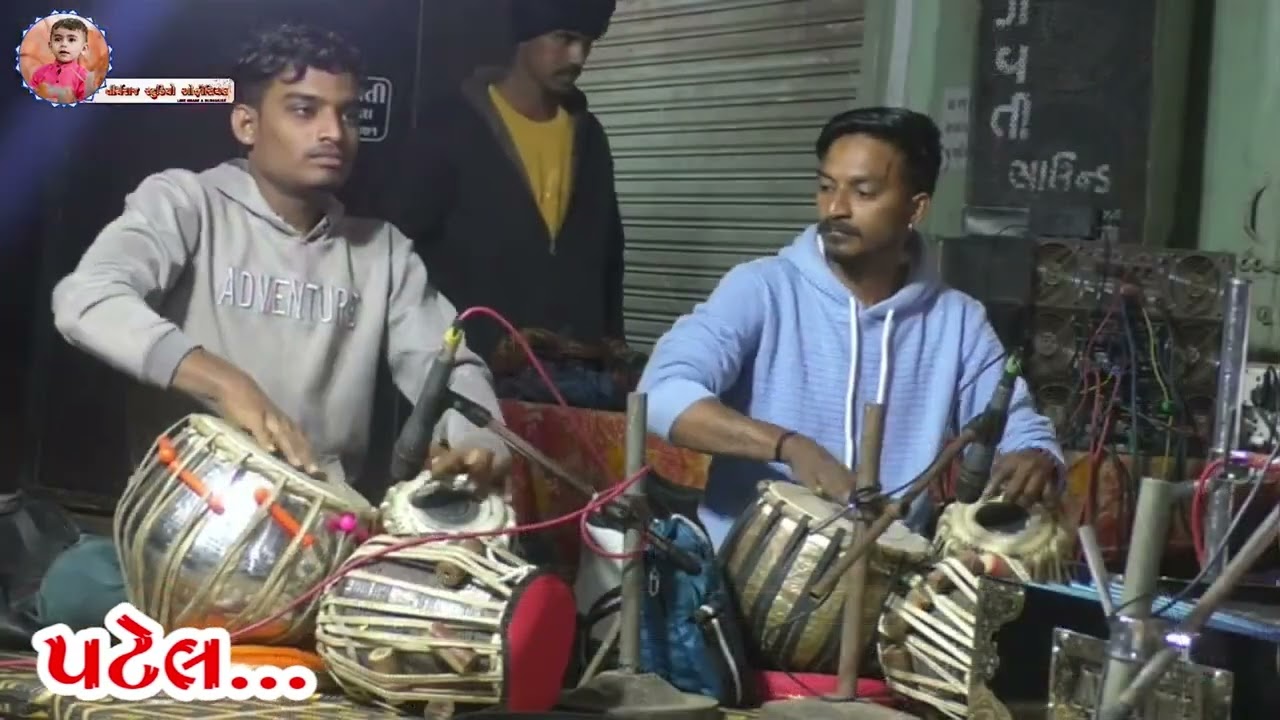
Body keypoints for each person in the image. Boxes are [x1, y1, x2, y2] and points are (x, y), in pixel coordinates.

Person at [29, 24, 510, 632]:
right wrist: (223, 381)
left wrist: (477, 447)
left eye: (346, 114)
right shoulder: (185, 203)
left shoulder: (382, 252)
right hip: (187, 535)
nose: (333, 133)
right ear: (247, 125)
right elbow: (84, 300)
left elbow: (453, 366)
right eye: (305, 111)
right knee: (78, 588)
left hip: (317, 551)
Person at [637, 107, 1063, 548]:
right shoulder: (762, 288)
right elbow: (662, 392)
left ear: (915, 207)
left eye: (863, 192)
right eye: (826, 187)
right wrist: (788, 445)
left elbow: (1015, 421)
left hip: (885, 576)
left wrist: (1033, 455)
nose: (835, 208)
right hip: (743, 571)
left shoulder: (958, 321)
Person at [378, 0, 624, 361]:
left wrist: (611, 344)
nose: (578, 57)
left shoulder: (589, 137)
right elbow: (401, 248)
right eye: (565, 38)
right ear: (525, 35)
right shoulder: (450, 127)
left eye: (588, 43)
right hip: (471, 368)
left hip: (573, 375)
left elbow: (609, 254)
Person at [30, 16, 95, 103]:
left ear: (83, 49)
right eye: (58, 39)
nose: (63, 44)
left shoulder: (84, 77)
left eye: (71, 40)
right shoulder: (39, 73)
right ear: (50, 46)